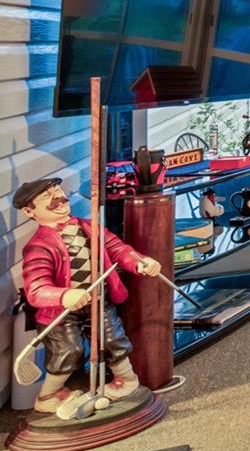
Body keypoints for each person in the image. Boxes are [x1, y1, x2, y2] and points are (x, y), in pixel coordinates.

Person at [15, 177, 162, 413]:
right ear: (29, 211)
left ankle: (127, 381)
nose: (58, 198)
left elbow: (118, 249)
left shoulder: (90, 228)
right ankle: (48, 396)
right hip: (62, 312)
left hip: (98, 301)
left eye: (57, 191)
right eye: (46, 197)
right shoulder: (38, 246)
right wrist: (64, 296)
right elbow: (36, 289)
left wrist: (140, 262)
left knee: (113, 338)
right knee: (68, 350)